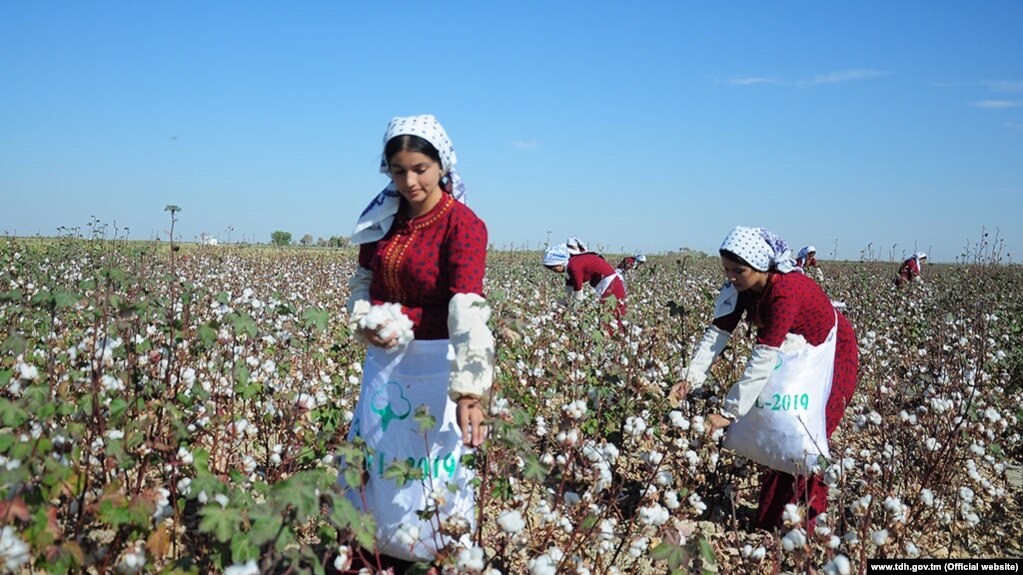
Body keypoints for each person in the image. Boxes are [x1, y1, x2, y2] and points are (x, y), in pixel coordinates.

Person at [343, 114, 493, 573]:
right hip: (385, 368)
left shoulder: (463, 225)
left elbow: (467, 307)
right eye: (398, 170)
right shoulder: (383, 220)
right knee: (376, 468)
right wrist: (363, 320)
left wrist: (470, 391)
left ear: (442, 166)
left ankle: (434, 559)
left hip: (436, 369)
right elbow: (364, 281)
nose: (410, 181)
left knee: (432, 476)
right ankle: (369, 555)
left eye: (420, 169)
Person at [669, 226, 858, 531]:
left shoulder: (785, 289)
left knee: (805, 439)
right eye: (726, 269)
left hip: (831, 355)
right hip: (792, 352)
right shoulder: (741, 288)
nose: (730, 277)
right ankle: (773, 521)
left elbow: (763, 357)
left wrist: (729, 412)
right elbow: (718, 333)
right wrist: (690, 377)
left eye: (738, 270)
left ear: (760, 266)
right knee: (778, 429)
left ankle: (804, 529)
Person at [543, 241, 627, 318]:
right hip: (604, 284)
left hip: (612, 284)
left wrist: (574, 312)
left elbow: (578, 292)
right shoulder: (571, 265)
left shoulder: (574, 266)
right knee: (606, 313)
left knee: (611, 315)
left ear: (560, 262)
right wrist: (560, 306)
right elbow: (568, 289)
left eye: (554, 268)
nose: (555, 271)